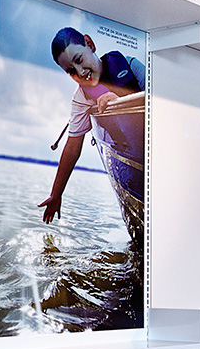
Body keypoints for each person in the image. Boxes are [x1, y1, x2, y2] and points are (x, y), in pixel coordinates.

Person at [38, 27, 146, 224]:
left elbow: (163, 104)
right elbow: (72, 148)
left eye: (79, 60)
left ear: (89, 44)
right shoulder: (82, 98)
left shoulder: (130, 65)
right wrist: (56, 194)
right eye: (71, 71)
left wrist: (119, 98)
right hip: (126, 149)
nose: (80, 72)